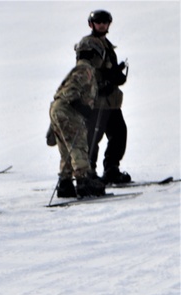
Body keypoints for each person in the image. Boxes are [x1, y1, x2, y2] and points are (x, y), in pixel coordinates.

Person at [48, 38, 105, 199]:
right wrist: (83, 108)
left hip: (58, 108)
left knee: (66, 149)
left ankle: (65, 184)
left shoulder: (80, 69)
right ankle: (83, 182)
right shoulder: (85, 69)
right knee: (78, 145)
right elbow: (71, 92)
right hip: (68, 110)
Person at [83, 9, 130, 184]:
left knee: (119, 133)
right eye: (98, 22)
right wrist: (99, 84)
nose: (102, 25)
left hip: (110, 101)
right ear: (91, 24)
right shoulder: (88, 44)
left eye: (105, 22)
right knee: (93, 136)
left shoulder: (106, 44)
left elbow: (106, 69)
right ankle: (88, 173)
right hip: (95, 101)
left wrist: (116, 74)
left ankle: (111, 169)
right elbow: (85, 69)